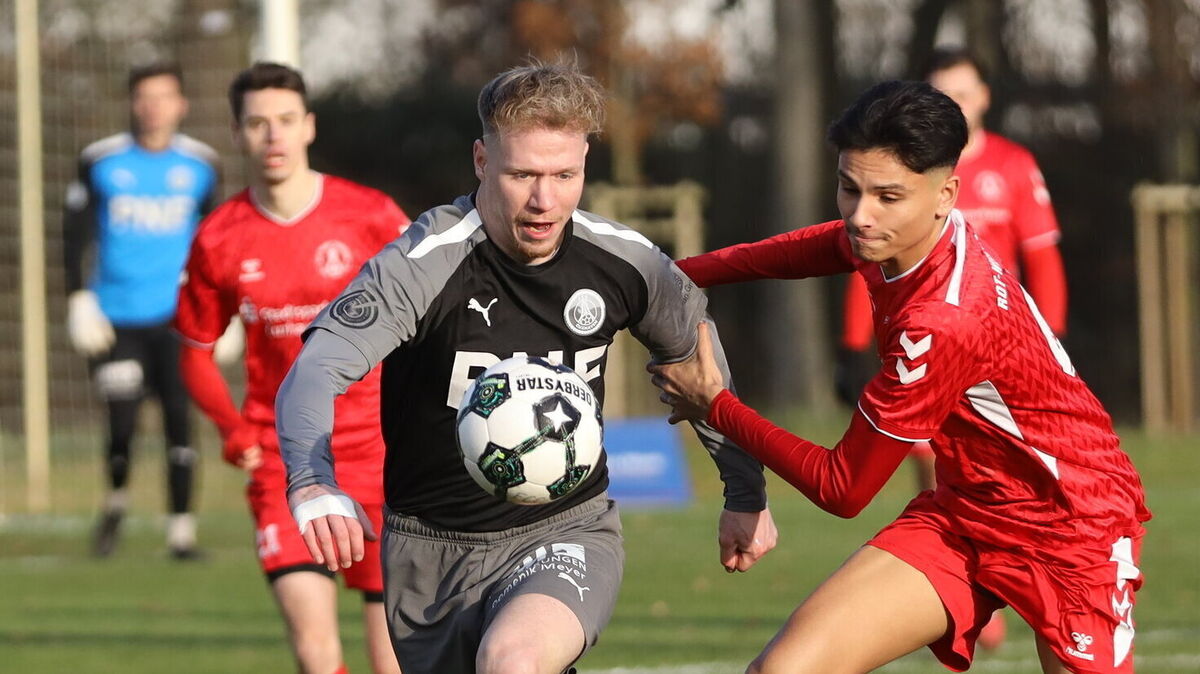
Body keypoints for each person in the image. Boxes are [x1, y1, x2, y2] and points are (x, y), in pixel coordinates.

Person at [275, 61, 778, 674]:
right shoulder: (422, 263)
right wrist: (312, 479)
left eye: (565, 175)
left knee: (513, 661)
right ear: (482, 161)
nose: (545, 200)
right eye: (523, 175)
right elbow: (318, 366)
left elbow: (699, 364)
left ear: (585, 165)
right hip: (430, 552)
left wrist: (745, 490)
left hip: (565, 530)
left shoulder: (624, 263)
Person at [650, 80, 1149, 674]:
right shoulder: (913, 237)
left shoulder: (944, 321)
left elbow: (844, 488)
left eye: (887, 196)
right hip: (968, 512)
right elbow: (812, 248)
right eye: (848, 188)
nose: (861, 216)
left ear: (946, 194)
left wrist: (715, 403)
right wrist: (669, 278)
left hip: (1074, 527)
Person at [174, 62, 409, 674]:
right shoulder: (219, 238)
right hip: (290, 461)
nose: (272, 137)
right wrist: (233, 430)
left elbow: (428, 320)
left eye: (284, 121)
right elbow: (195, 353)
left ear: (308, 126)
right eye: (257, 124)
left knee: (396, 659)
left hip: (384, 455)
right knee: (314, 650)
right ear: (236, 134)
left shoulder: (372, 217)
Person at [837, 49, 1071, 648]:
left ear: (984, 97)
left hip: (999, 359)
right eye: (944, 94)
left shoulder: (1014, 165)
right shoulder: (897, 170)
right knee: (927, 454)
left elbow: (1042, 257)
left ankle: (1023, 583)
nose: (957, 104)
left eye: (964, 93)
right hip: (925, 343)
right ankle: (964, 589)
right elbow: (868, 261)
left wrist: (1052, 346)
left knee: (1009, 476)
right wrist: (853, 343)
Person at [63, 63, 220, 559]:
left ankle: (181, 532)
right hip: (116, 319)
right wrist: (78, 297)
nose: (153, 107)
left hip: (177, 321)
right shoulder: (100, 160)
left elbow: (216, 241)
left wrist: (223, 310)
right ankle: (115, 505)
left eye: (163, 96)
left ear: (181, 105)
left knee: (179, 418)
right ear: (132, 103)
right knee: (122, 421)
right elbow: (74, 235)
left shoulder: (201, 165)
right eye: (143, 97)